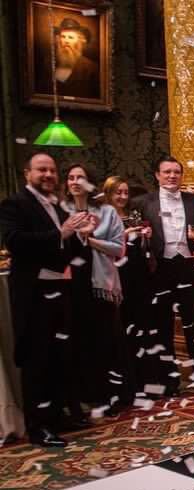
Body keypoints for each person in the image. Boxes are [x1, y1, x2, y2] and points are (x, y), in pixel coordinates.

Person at [0, 152, 94, 446]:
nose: (49, 175)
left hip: (61, 290)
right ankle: (37, 426)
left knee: (59, 355)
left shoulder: (58, 206)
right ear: (27, 173)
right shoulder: (15, 204)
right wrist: (61, 232)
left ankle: (55, 415)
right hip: (33, 292)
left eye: (53, 170)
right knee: (36, 358)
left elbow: (71, 250)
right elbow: (14, 241)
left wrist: (80, 236)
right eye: (42, 170)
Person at [133, 156, 194, 394]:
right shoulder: (142, 203)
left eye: (176, 172)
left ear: (182, 176)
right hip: (159, 268)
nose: (172, 176)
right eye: (167, 172)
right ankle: (168, 382)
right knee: (161, 325)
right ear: (157, 175)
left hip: (189, 266)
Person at [60, 165, 130, 414]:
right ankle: (83, 396)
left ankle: (109, 396)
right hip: (70, 284)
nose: (75, 181)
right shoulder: (61, 211)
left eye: (81, 177)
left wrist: (88, 240)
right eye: (70, 177)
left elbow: (118, 249)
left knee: (105, 342)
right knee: (79, 343)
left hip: (101, 284)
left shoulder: (107, 212)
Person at [104, 176, 157, 395]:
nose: (123, 197)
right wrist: (125, 236)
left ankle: (144, 382)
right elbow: (105, 249)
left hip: (138, 273)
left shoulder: (134, 215)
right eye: (118, 192)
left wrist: (147, 236)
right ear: (109, 193)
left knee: (141, 326)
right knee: (121, 329)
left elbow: (143, 248)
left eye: (126, 192)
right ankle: (125, 386)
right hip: (117, 274)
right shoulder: (104, 217)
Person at [51, 18, 98, 99]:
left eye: (71, 37)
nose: (66, 41)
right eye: (63, 36)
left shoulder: (91, 68)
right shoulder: (48, 62)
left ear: (79, 41)